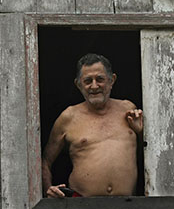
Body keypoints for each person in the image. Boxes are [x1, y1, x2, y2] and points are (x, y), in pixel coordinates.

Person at [42, 53, 144, 198]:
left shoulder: (128, 109)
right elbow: (45, 161)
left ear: (112, 80)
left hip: (127, 206)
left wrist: (139, 132)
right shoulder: (68, 117)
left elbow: (140, 152)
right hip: (81, 205)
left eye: (100, 79)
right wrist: (48, 188)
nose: (94, 86)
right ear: (78, 84)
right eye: (88, 81)